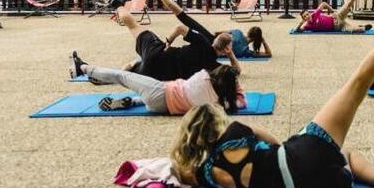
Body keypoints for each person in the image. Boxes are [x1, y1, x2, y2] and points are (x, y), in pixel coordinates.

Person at [168, 4, 374, 188]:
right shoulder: (236, 130)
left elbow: (174, 170)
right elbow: (277, 142)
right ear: (216, 123)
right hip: (303, 158)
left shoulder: (201, 174)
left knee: (343, 153)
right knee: (358, 83)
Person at [116, 0, 239, 81]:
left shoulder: (203, 40)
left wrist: (169, 41)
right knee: (134, 68)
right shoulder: (213, 66)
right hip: (160, 76)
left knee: (134, 26)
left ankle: (118, 5)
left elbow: (180, 26)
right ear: (225, 50)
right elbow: (236, 72)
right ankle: (128, 68)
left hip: (160, 54)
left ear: (215, 41)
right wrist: (231, 55)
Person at [69, 52, 247, 114]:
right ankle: (134, 101)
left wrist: (233, 79)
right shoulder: (220, 103)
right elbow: (241, 101)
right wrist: (234, 87)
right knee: (151, 92)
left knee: (122, 76)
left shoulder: (204, 76)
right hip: (161, 108)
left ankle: (83, 68)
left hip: (160, 91)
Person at [297, 0, 372, 33]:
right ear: (304, 19)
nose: (307, 16)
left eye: (307, 14)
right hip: (338, 26)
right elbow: (298, 30)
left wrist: (332, 10)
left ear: (309, 13)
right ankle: (363, 27)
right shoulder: (308, 25)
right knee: (353, 30)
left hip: (337, 16)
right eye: (305, 16)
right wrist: (301, 23)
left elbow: (323, 3)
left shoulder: (315, 14)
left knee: (349, 3)